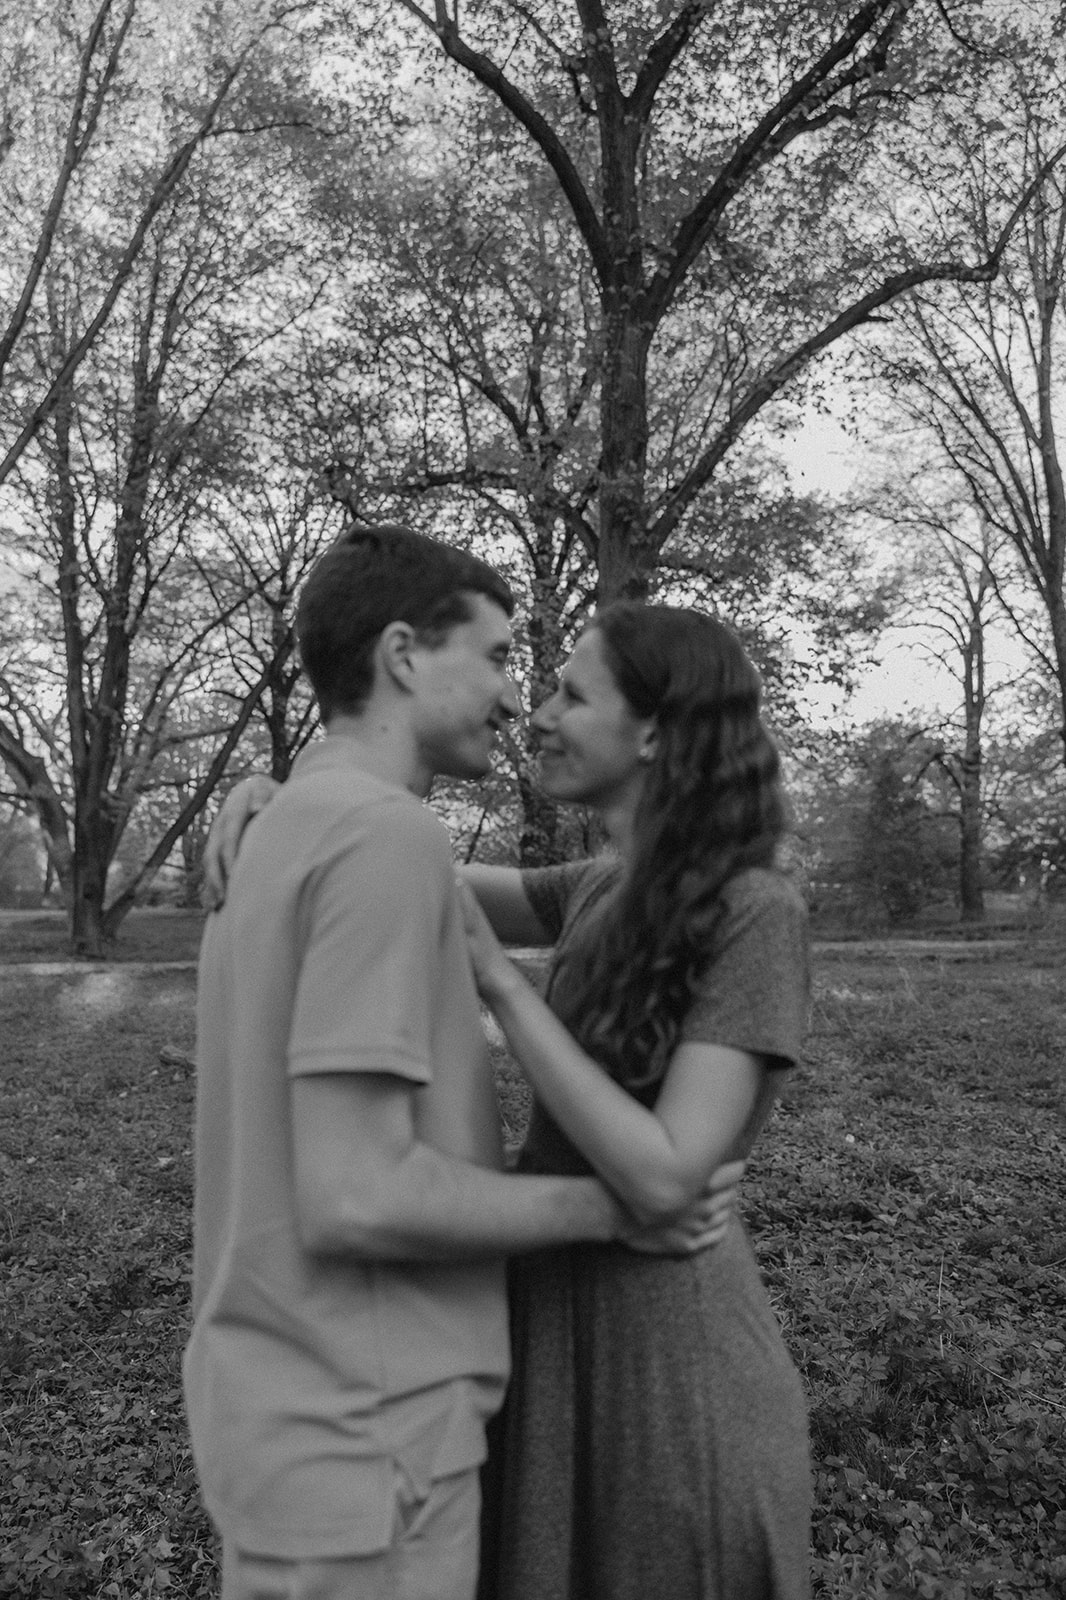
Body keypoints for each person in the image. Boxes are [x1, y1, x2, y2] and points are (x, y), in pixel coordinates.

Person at [185, 524, 739, 1600]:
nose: (512, 698)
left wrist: (274, 781)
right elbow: (355, 1196)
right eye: (492, 657)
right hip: (370, 1440)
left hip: (287, 1426)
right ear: (402, 654)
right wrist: (615, 1212)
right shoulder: (384, 839)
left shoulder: (291, 830)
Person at [459, 602, 813, 1600]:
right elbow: (421, 875)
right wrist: (290, 799)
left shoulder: (754, 909)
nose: (537, 714)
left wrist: (504, 990)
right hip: (560, 1327)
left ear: (655, 730)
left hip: (673, 1379)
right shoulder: (602, 882)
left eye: (571, 692)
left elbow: (666, 1173)